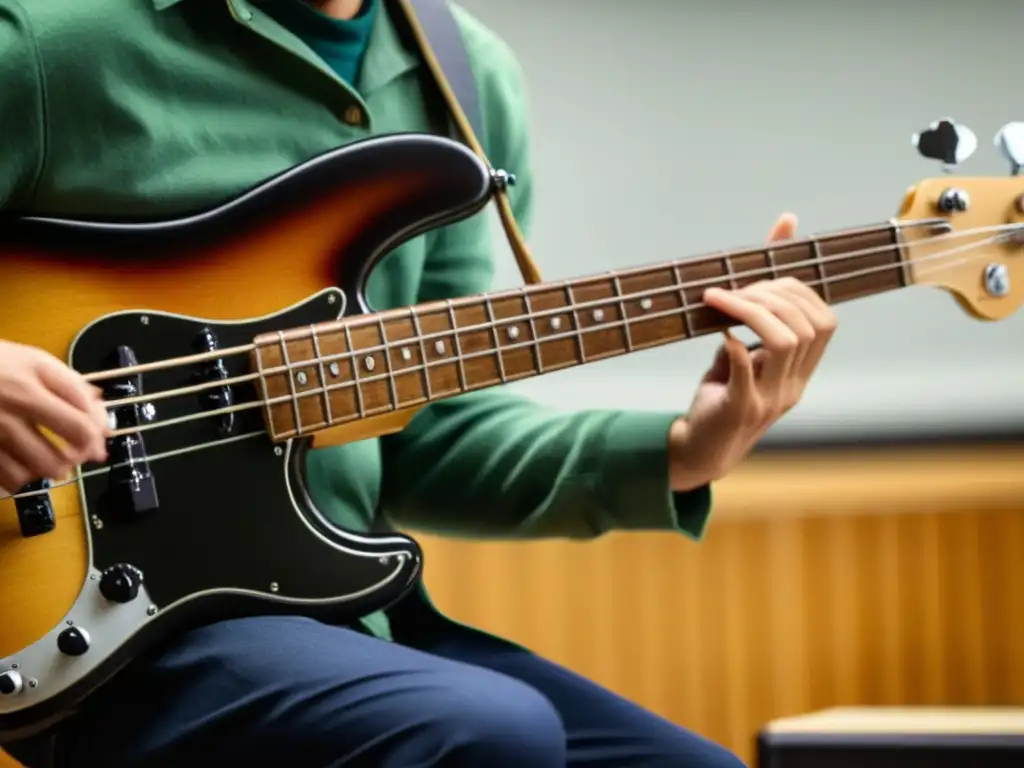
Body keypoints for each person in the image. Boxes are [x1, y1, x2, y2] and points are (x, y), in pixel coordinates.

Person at [0, 0, 836, 765]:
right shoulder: (55, 41)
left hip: (339, 623)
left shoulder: (467, 78)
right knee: (486, 732)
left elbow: (430, 435)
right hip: (105, 638)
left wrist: (686, 449)